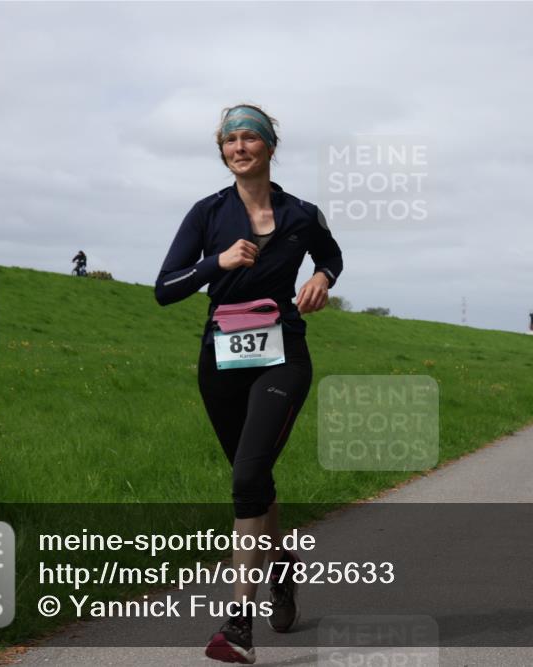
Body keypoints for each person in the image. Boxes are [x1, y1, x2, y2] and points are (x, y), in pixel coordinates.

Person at [154, 104, 343, 664]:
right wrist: (217, 262)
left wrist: (322, 277)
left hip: (283, 353)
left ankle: (237, 624)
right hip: (221, 358)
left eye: (250, 138)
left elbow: (331, 255)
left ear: (268, 147)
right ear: (222, 151)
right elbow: (165, 287)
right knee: (255, 478)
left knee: (246, 477)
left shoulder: (301, 213)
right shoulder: (207, 213)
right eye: (230, 140)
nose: (240, 147)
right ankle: (281, 570)